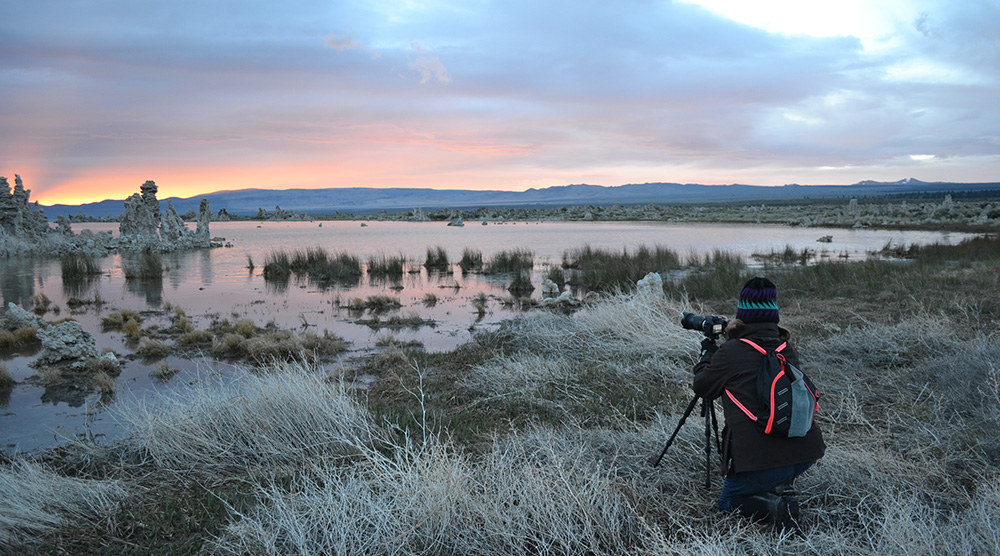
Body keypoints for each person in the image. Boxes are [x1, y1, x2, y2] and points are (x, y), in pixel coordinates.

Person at [692, 277, 825, 528]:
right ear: (773, 313)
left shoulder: (731, 352)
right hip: (805, 452)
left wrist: (707, 354)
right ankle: (778, 484)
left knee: (728, 502)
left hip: (759, 460)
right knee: (774, 471)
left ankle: (775, 508)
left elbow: (703, 387)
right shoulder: (786, 347)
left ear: (742, 313)